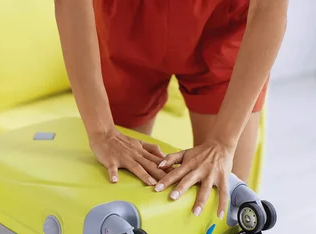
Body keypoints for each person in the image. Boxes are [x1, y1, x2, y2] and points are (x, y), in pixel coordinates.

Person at [54, 0, 288, 219]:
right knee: (115, 198)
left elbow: (269, 7)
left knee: (225, 206)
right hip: (125, 23)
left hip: (221, 25)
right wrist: (101, 132)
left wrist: (222, 143)